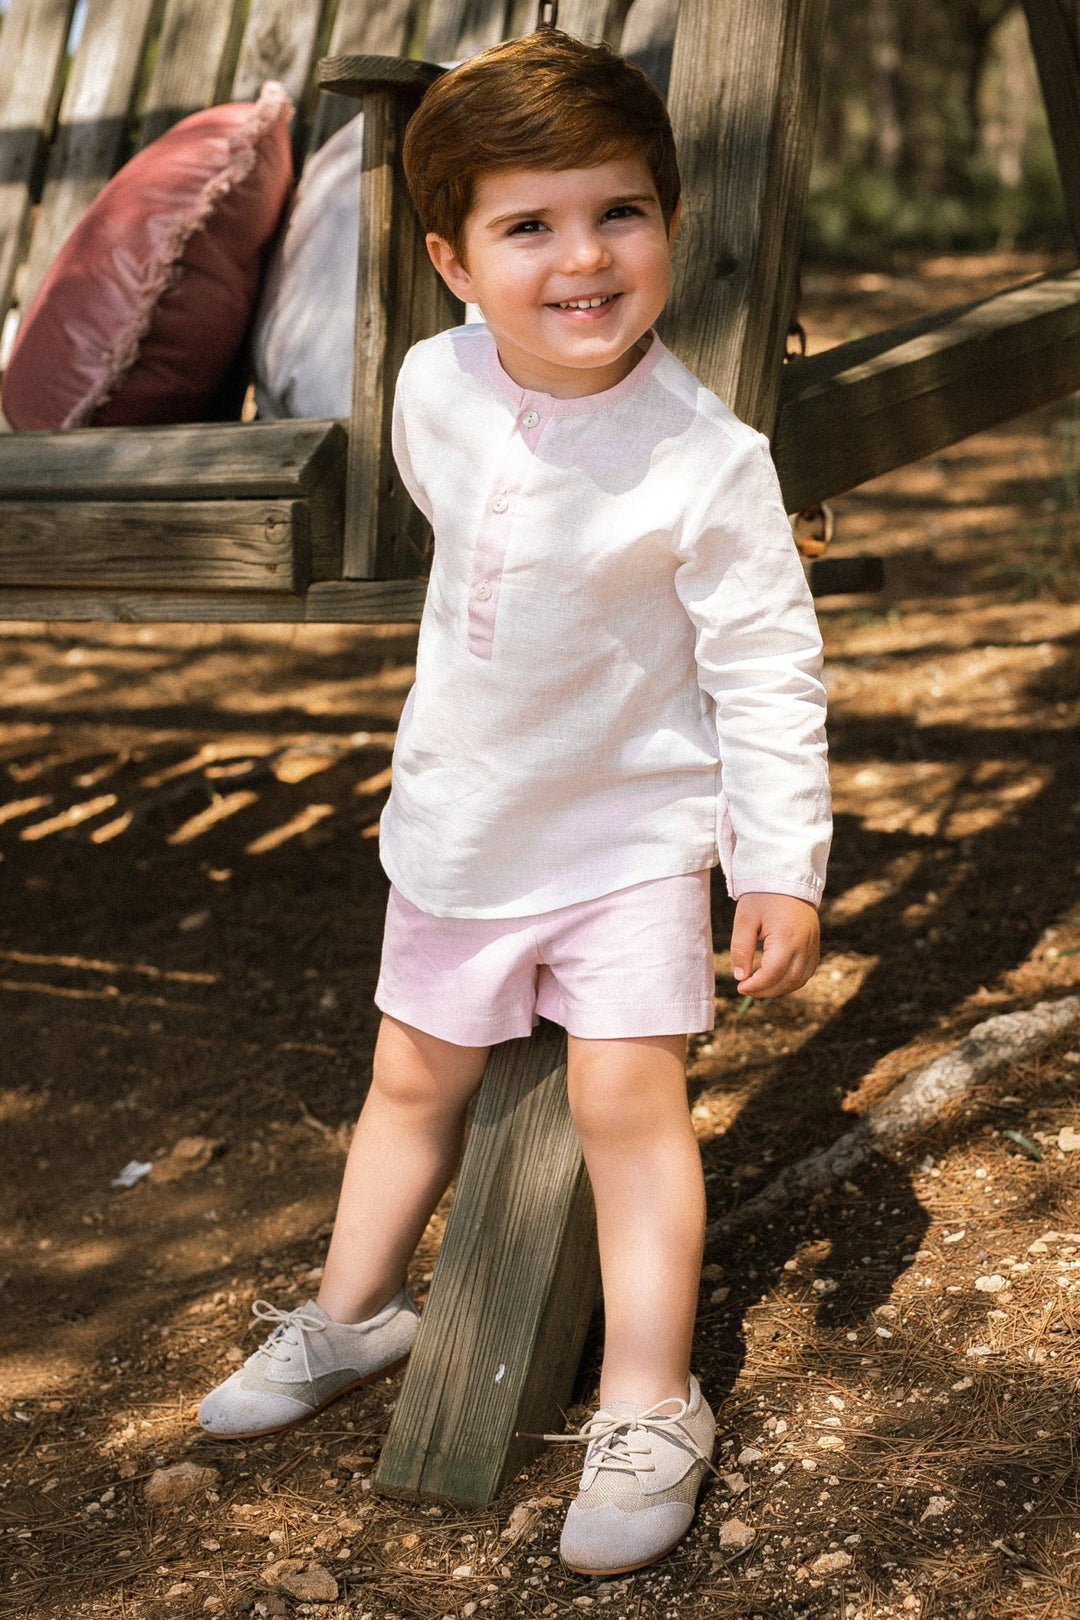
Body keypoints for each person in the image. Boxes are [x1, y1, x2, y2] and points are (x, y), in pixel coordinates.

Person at [198, 28, 831, 1578]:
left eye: (620, 213)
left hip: (628, 839)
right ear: (455, 262)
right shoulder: (435, 382)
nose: (584, 257)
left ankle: (651, 1399)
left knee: (626, 1102)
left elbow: (767, 670)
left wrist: (779, 864)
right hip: (462, 820)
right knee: (411, 1077)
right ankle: (353, 1314)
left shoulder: (709, 461)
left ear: (669, 224)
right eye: (529, 226)